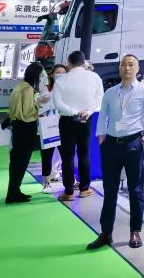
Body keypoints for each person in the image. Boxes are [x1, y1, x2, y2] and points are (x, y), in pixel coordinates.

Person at [87, 55, 144, 251]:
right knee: (110, 190)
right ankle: (105, 232)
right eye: (123, 64)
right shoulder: (110, 92)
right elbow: (103, 116)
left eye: (131, 64)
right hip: (111, 144)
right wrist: (101, 138)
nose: (127, 68)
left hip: (134, 143)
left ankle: (135, 231)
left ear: (137, 69)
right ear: (119, 68)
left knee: (135, 190)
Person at [52, 51, 104, 201]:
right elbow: (99, 97)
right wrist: (88, 111)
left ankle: (68, 192)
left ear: (68, 63)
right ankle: (84, 189)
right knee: (84, 154)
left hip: (67, 121)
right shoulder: (95, 77)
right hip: (86, 120)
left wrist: (75, 112)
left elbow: (58, 104)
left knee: (67, 156)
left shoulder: (61, 80)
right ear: (84, 62)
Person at [5, 62, 45, 204]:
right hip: (26, 127)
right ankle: (13, 193)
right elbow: (27, 111)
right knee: (21, 161)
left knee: (16, 161)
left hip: (17, 127)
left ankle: (13, 191)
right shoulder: (28, 89)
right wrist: (39, 104)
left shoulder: (20, 87)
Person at [40, 64, 67, 190]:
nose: (61, 75)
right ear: (51, 75)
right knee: (47, 155)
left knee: (66, 155)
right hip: (48, 126)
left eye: (63, 72)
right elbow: (41, 103)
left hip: (64, 125)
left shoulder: (69, 89)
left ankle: (69, 179)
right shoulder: (45, 88)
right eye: (58, 72)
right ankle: (47, 182)